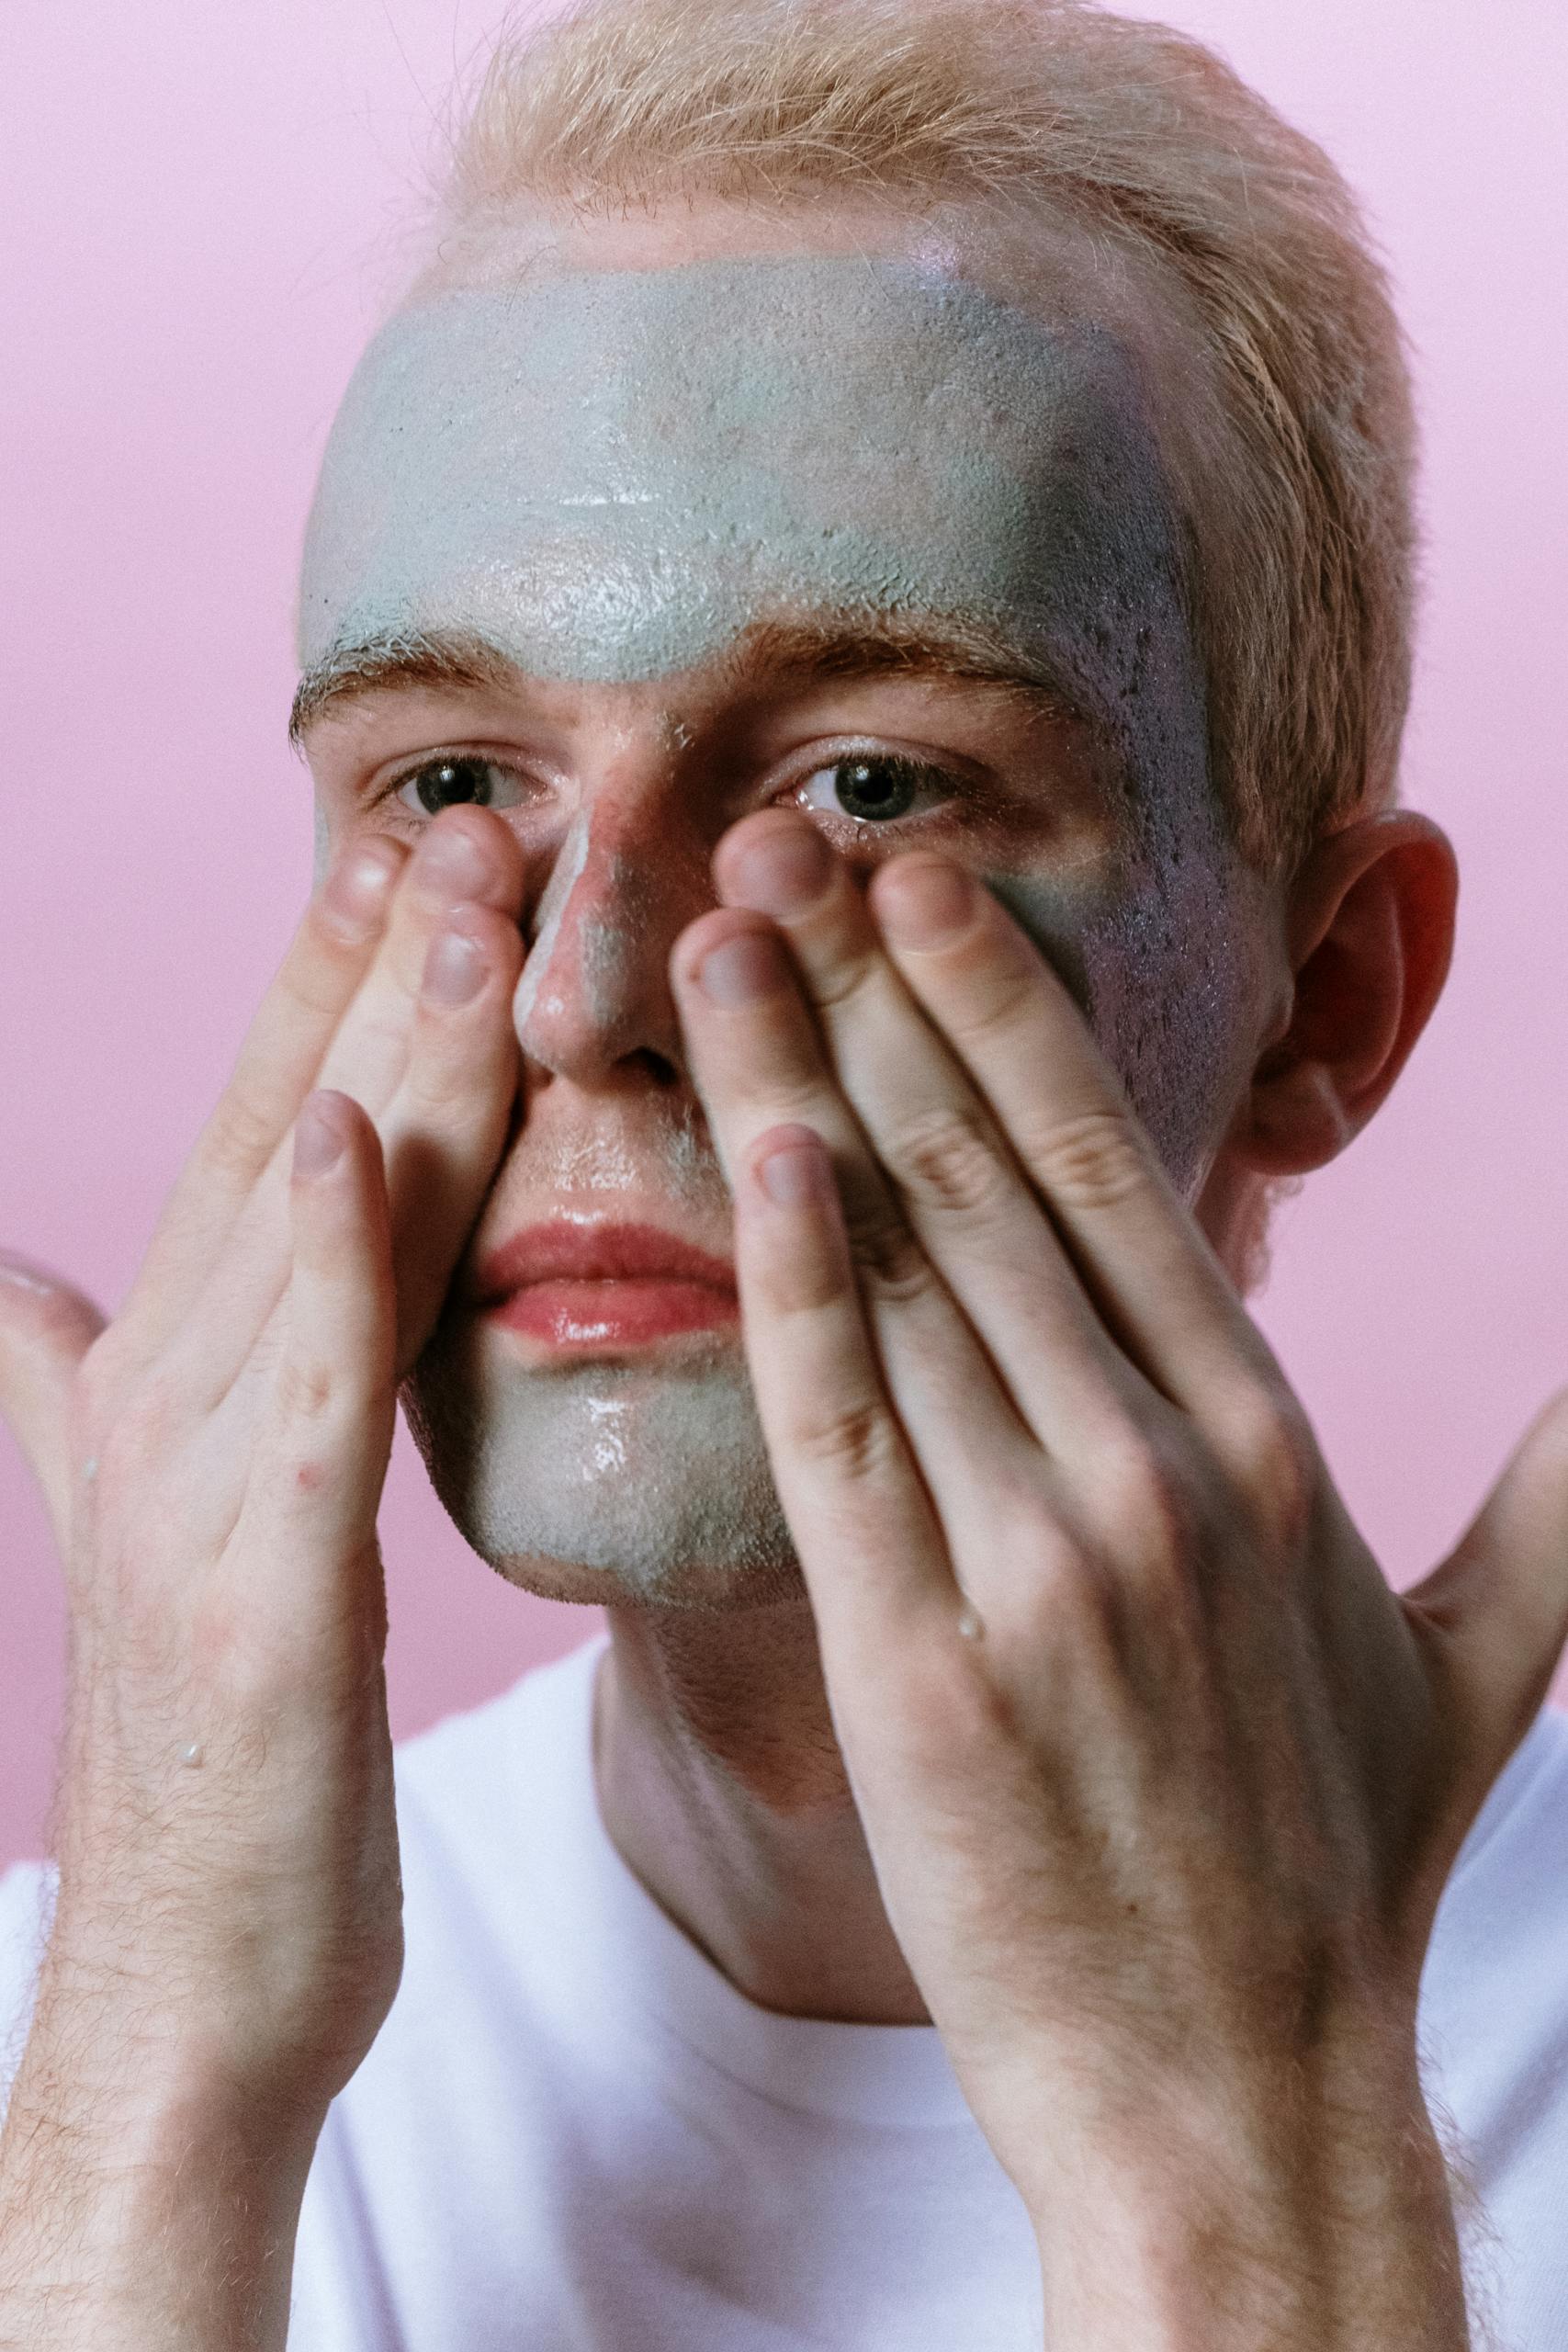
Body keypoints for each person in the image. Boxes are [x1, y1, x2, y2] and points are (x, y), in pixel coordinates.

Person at [1, 0, 1565, 2342]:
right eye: (447, 788)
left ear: (1322, 996)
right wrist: (147, 2092)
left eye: (865, 785)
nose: (582, 986)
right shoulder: (73, 2054)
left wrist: (1243, 2144)